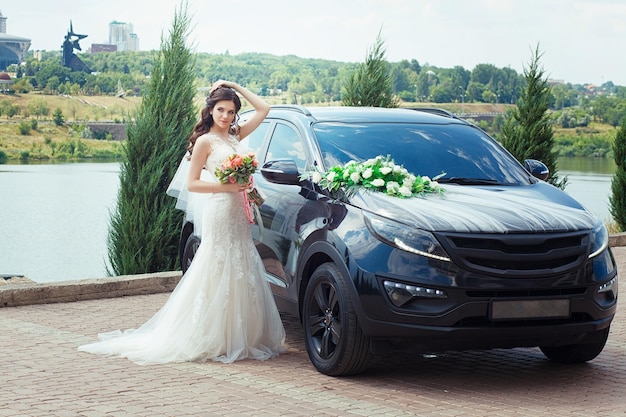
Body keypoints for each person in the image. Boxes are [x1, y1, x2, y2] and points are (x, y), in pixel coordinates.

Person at [78, 80, 286, 364]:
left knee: (241, 262)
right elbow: (193, 183)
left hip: (238, 210)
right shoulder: (205, 141)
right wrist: (228, 188)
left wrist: (233, 85)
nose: (226, 116)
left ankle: (241, 336)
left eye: (231, 111)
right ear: (210, 110)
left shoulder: (235, 136)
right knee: (217, 264)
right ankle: (209, 335)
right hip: (220, 208)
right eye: (221, 110)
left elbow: (264, 108)